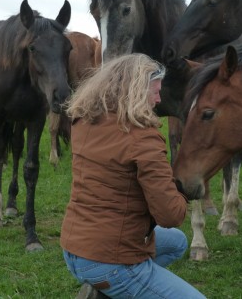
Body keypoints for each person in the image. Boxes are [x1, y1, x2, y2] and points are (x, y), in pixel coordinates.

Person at [60, 54, 205, 299]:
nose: (159, 100)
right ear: (135, 92)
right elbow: (170, 215)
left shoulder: (83, 121)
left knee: (177, 242)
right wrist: (185, 192)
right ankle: (114, 283)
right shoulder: (142, 138)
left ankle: (105, 291)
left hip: (75, 248)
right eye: (155, 92)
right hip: (110, 261)